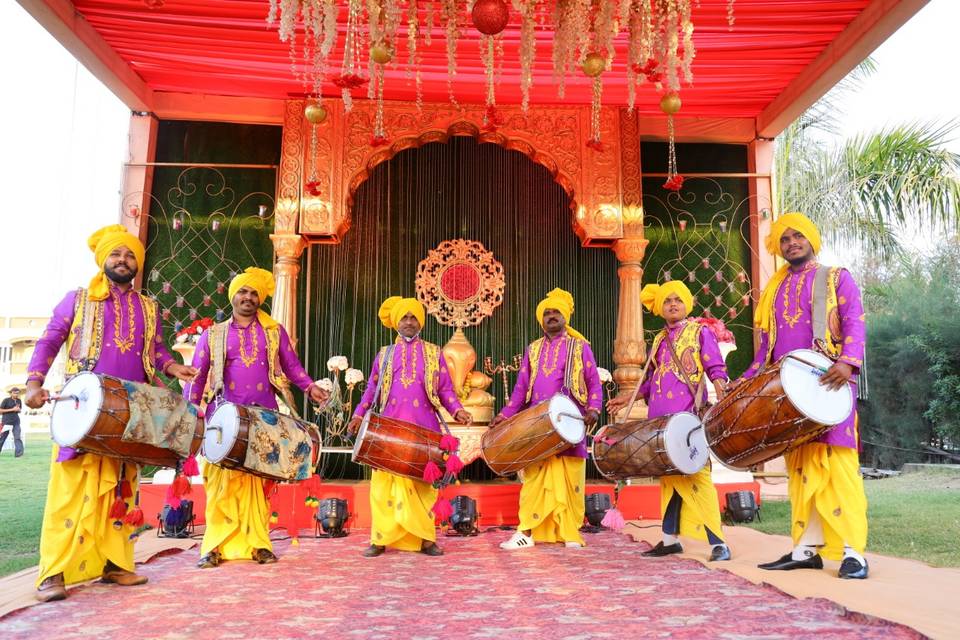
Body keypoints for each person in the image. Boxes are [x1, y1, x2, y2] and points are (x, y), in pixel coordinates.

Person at [24, 224, 197, 602]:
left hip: (130, 411)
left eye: (130, 254)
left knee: (123, 488)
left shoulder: (148, 307)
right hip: (82, 411)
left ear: (138, 263)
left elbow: (157, 352)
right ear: (104, 260)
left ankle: (116, 563)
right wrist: (34, 382)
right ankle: (53, 572)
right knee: (70, 492)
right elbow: (51, 338)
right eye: (116, 254)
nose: (123, 260)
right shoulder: (79, 299)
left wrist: (174, 367)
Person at [745, 212, 869, 580]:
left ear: (811, 240)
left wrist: (848, 362)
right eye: (784, 239)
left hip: (831, 385)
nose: (792, 243)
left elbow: (855, 321)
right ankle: (805, 548)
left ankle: (854, 552)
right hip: (790, 397)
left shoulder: (836, 278)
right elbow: (767, 346)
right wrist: (749, 379)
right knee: (799, 469)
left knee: (838, 468)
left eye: (798, 237)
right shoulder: (774, 290)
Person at [185, 267, 329, 569]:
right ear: (233, 296)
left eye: (254, 294)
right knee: (221, 484)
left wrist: (310, 387)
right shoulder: (214, 334)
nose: (248, 298)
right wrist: (189, 413)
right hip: (223, 419)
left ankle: (258, 544)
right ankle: (214, 547)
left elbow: (292, 366)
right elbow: (196, 378)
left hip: (263, 417)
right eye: (243, 292)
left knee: (258, 484)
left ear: (259, 300)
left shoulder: (274, 332)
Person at [607, 281, 732, 561]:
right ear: (661, 308)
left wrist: (721, 384)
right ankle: (669, 540)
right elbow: (650, 381)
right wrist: (629, 398)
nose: (673, 304)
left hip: (687, 421)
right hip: (660, 422)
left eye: (677, 300)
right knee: (669, 479)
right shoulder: (660, 340)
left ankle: (718, 543)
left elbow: (714, 365)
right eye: (667, 301)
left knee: (698, 477)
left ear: (686, 304)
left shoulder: (700, 332)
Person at [347, 296, 472, 558]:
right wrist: (359, 414)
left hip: (423, 429)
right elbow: (372, 389)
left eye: (414, 317)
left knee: (423, 488)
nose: (408, 322)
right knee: (383, 488)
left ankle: (426, 540)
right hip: (388, 431)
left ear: (421, 322)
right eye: (404, 317)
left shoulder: (433, 352)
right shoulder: (384, 354)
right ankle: (380, 539)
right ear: (396, 323)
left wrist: (457, 410)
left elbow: (445, 389)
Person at [490, 288, 603, 550]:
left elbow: (593, 383)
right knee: (533, 480)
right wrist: (504, 415)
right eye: (547, 313)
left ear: (566, 317)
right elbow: (520, 390)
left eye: (556, 312)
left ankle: (570, 533)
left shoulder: (580, 347)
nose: (551, 316)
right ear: (541, 319)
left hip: (570, 424)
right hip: (536, 425)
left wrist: (594, 409)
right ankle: (526, 532)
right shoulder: (533, 349)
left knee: (569, 479)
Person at [0, 387, 24, 457]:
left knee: (17, 437)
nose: (16, 394)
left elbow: (19, 410)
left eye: (17, 393)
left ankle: (19, 454)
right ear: (11, 393)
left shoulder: (19, 400)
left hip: (16, 422)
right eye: (15, 393)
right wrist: (12, 409)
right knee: (2, 438)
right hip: (6, 422)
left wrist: (18, 410)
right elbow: (0, 411)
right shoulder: (6, 400)